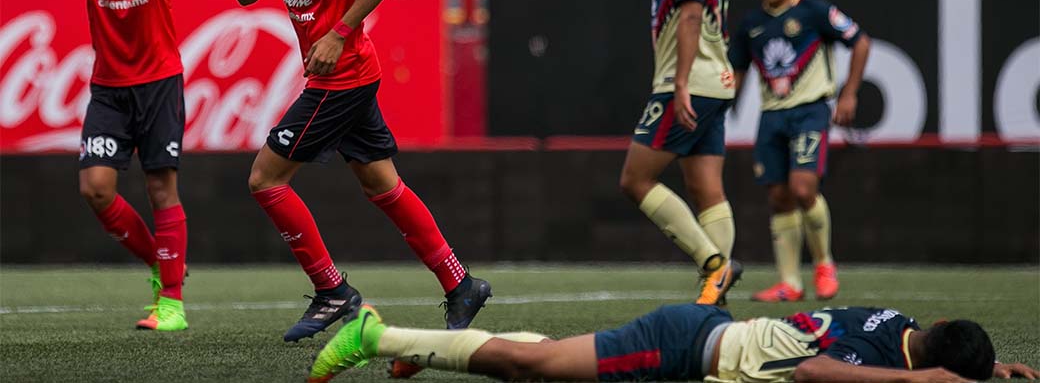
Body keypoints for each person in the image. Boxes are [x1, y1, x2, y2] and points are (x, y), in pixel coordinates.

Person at [217, 0, 491, 346]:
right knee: (382, 186)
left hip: (339, 79)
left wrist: (338, 33)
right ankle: (461, 282)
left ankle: (332, 291)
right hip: (352, 76)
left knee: (265, 180)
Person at [0, 0, 189, 331]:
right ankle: (160, 262)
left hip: (159, 81)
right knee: (95, 188)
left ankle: (170, 303)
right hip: (109, 88)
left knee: (159, 187)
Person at [309, 302, 1040, 383]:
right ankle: (379, 334)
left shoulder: (897, 323)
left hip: (700, 342)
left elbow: (950, 352)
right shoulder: (880, 364)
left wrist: (998, 368)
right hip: (686, 348)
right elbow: (817, 373)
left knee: (550, 358)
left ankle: (437, 346)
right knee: (535, 367)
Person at [620, 0, 741, 305]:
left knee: (636, 179)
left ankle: (714, 265)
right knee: (707, 188)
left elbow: (690, 14)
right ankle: (716, 295)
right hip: (717, 82)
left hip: (688, 83)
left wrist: (682, 83)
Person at [728, 0, 871, 303]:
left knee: (803, 189)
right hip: (771, 115)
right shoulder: (750, 24)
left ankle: (824, 263)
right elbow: (739, 71)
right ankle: (789, 282)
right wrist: (723, 105)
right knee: (778, 196)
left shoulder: (815, 11)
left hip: (809, 111)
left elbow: (861, 41)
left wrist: (849, 94)